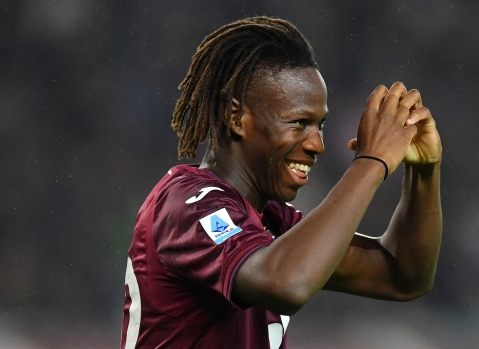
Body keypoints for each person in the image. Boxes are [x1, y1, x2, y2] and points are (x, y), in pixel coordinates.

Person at [120, 16, 442, 349]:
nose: (317, 144)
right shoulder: (187, 204)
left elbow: (401, 276)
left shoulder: (272, 220)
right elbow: (287, 283)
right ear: (236, 118)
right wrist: (371, 162)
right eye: (299, 122)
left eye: (320, 125)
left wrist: (425, 172)